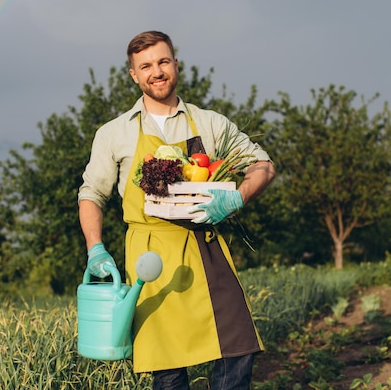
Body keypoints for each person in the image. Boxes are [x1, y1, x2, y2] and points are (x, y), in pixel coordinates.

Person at [78, 30, 275, 390]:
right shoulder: (114, 132)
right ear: (134, 75)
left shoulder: (210, 122)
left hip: (206, 246)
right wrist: (95, 247)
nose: (157, 71)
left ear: (176, 65)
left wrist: (237, 198)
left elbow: (263, 164)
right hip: (150, 261)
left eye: (163, 61)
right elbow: (92, 194)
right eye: (146, 65)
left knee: (237, 349)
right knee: (168, 371)